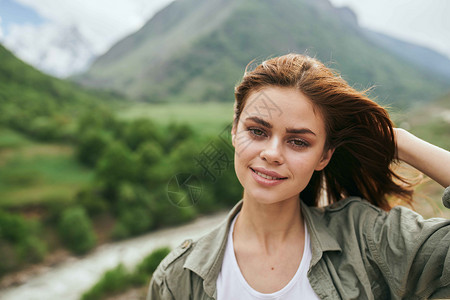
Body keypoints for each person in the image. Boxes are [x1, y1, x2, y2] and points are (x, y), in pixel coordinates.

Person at [147, 54, 450, 299]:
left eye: (298, 141)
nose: (273, 153)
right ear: (235, 131)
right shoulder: (179, 277)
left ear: (324, 156)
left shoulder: (368, 240)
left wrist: (399, 140)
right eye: (257, 131)